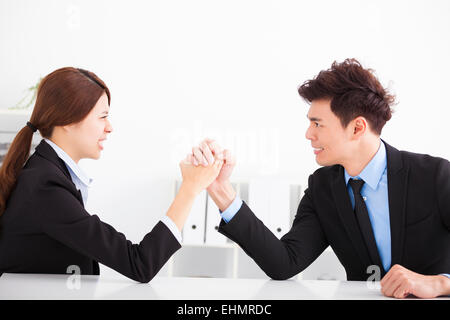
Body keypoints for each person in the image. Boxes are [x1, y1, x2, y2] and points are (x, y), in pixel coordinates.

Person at [189, 59, 450, 298]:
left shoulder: (435, 176)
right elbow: (284, 262)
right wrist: (221, 190)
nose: (308, 134)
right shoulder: (323, 187)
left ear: (357, 127)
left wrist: (440, 283)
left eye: (317, 124)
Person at [0, 67, 223, 283]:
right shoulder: (45, 187)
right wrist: (190, 189)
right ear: (67, 121)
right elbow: (140, 264)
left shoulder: (47, 173)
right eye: (102, 116)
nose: (109, 127)